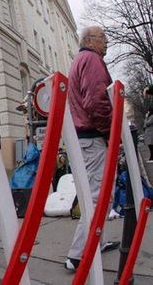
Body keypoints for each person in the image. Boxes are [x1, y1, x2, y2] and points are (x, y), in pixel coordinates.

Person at [65, 26, 120, 272]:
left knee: (97, 193)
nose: (107, 43)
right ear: (90, 40)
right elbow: (96, 101)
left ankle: (99, 240)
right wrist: (110, 134)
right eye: (103, 38)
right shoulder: (92, 59)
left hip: (84, 137)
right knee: (98, 196)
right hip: (93, 136)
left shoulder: (81, 60)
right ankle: (77, 255)